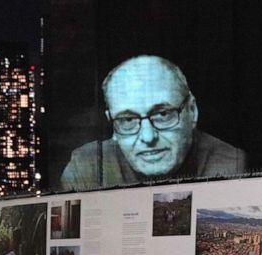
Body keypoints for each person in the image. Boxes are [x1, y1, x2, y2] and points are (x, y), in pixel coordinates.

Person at [59, 55, 247, 190]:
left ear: (192, 111)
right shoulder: (86, 167)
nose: (148, 137)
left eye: (163, 114)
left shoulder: (235, 168)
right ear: (113, 126)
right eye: (128, 120)